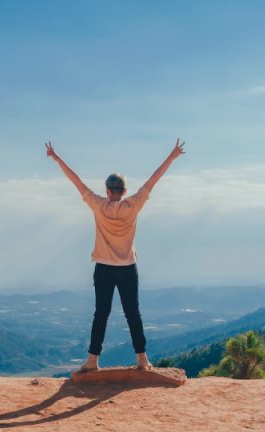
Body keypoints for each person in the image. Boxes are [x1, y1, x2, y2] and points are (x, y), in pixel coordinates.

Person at [45, 138, 185, 371]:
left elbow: (76, 182)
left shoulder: (98, 205)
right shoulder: (133, 205)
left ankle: (93, 360)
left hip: (104, 268)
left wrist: (57, 158)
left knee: (101, 314)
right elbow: (153, 180)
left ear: (108, 191)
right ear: (125, 191)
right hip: (128, 267)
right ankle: (142, 359)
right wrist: (172, 156)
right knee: (133, 313)